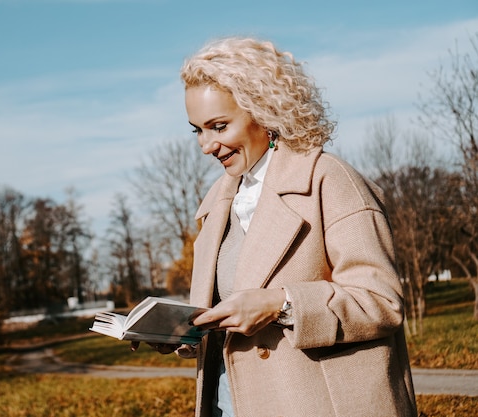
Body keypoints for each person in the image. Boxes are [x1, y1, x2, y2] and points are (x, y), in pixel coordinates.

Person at [134, 36, 418, 417]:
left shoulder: (329, 180)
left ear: (264, 112)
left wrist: (280, 304)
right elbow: (225, 315)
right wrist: (177, 332)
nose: (206, 145)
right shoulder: (217, 205)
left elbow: (381, 302)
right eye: (197, 130)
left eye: (218, 126)